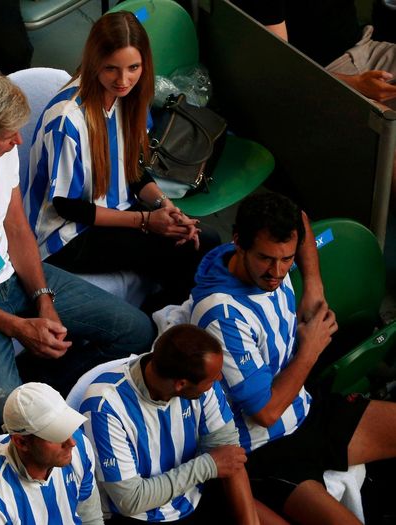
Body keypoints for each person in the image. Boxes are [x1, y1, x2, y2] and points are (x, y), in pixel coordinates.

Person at [0, 68, 155, 435]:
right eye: (9, 135)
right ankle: (40, 412)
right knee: (14, 418)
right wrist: (18, 327)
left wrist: (43, 299)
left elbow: (17, 227)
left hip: (12, 273)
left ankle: (49, 386)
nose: (18, 142)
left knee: (138, 332)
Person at [188, 192, 396, 524]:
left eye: (287, 259)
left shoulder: (264, 255)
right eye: (267, 259)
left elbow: (300, 221)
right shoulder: (221, 315)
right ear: (238, 242)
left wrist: (313, 283)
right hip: (267, 450)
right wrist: (310, 349)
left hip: (308, 408)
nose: (278, 272)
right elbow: (266, 413)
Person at [25, 11, 219, 308]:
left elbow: (133, 170)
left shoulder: (131, 99)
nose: (123, 79)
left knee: (200, 239)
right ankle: (162, 323)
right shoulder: (67, 121)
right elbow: (68, 206)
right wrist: (145, 221)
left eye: (133, 67)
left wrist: (165, 206)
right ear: (94, 63)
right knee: (190, 248)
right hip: (67, 236)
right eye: (111, 68)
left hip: (115, 208)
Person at [80, 324, 273, 525]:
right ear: (181, 384)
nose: (219, 378)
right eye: (211, 378)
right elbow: (130, 501)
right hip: (138, 516)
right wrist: (208, 465)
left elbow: (229, 456)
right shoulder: (104, 406)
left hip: (193, 496)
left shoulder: (199, 382)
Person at [0, 382, 104, 524]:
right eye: (56, 435)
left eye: (67, 427)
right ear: (21, 442)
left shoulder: (79, 446)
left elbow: (90, 518)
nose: (71, 443)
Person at [232, 0, 396, 107]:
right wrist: (355, 85)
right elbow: (279, 69)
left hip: (366, 44)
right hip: (325, 74)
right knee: (388, 141)